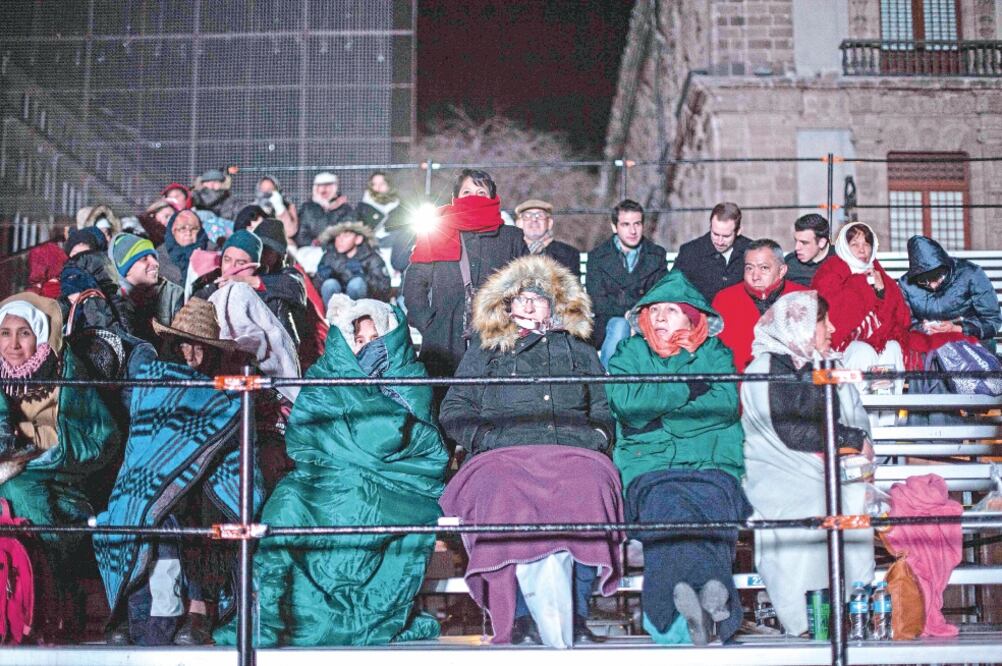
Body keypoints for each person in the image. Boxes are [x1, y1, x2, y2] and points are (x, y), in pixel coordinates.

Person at [214, 295, 446, 646]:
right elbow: (305, 434)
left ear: (390, 337)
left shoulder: (409, 378)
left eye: (374, 339)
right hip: (326, 475)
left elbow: (413, 442)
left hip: (393, 484)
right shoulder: (326, 375)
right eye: (359, 340)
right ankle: (268, 613)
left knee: (366, 509)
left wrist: (367, 416)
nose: (367, 347)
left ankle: (344, 616)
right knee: (287, 503)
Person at [439, 255, 623, 646]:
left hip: (571, 451)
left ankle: (576, 612)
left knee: (590, 485)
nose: (526, 304)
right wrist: (486, 440)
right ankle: (520, 616)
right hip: (503, 453)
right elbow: (454, 409)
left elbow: (602, 409)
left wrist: (596, 439)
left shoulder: (579, 351)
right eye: (519, 297)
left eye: (536, 297)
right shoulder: (485, 351)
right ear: (506, 304)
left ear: (553, 304)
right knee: (502, 491)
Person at [94, 298, 263, 646]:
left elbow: (239, 448)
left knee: (207, 506)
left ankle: (199, 610)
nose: (191, 355)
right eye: (184, 344)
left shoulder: (227, 391)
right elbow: (143, 442)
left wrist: (190, 465)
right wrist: (170, 472)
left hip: (213, 476)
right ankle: (131, 611)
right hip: (149, 474)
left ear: (212, 351)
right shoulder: (152, 381)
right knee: (136, 506)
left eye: (200, 347)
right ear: (172, 344)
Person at [605, 271, 750, 646]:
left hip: (711, 467)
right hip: (652, 468)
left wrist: (660, 414)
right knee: (670, 512)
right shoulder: (630, 353)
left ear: (692, 316)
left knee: (713, 517)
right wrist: (687, 388)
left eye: (671, 310)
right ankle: (710, 613)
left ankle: (676, 618)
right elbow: (626, 404)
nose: (659, 317)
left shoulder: (715, 353)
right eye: (654, 310)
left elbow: (724, 404)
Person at [741, 291, 875, 636]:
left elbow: (853, 416)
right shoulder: (766, 366)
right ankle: (805, 622)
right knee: (813, 507)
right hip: (780, 470)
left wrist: (853, 443)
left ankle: (851, 611)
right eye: (822, 321)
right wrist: (849, 440)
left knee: (855, 502)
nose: (832, 327)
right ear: (799, 325)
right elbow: (788, 430)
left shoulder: (826, 364)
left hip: (826, 467)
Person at [0, 293, 121, 642]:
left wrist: (42, 455)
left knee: (17, 489)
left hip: (63, 490)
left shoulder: (66, 371)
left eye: (23, 333)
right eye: (5, 333)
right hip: (12, 479)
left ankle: (43, 603)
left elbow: (103, 440)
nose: (13, 344)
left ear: (39, 333)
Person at [402, 169, 527, 378]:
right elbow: (415, 280)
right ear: (456, 198)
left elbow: (527, 281)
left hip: (497, 332)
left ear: (493, 198)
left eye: (481, 193)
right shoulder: (437, 232)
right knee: (443, 396)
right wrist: (427, 322)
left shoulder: (510, 237)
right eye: (467, 193)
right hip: (445, 334)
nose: (474, 199)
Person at [812, 222, 910, 393]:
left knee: (893, 348)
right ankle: (859, 416)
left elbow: (900, 316)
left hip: (876, 341)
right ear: (843, 246)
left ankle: (886, 416)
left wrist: (880, 291)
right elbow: (830, 315)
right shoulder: (830, 271)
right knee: (863, 351)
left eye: (866, 243)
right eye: (855, 244)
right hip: (837, 350)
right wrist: (860, 283)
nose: (862, 250)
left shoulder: (878, 272)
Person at [585, 199, 667, 368]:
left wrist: (636, 317)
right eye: (626, 224)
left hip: (647, 320)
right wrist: (628, 315)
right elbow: (597, 302)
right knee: (620, 325)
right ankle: (610, 383)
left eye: (637, 224)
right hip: (608, 323)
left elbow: (660, 295)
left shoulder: (656, 255)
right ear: (615, 227)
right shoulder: (597, 257)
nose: (633, 230)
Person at [712, 239, 807, 371]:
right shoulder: (724, 300)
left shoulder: (803, 298)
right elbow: (715, 353)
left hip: (792, 385)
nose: (755, 276)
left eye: (764, 268)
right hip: (739, 384)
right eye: (749, 268)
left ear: (782, 270)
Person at [899, 235, 1001, 353]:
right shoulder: (906, 283)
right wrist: (924, 327)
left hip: (969, 341)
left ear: (945, 267)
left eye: (936, 277)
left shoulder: (970, 274)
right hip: (928, 342)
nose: (932, 285)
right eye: (923, 281)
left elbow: (992, 320)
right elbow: (907, 323)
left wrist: (957, 328)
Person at [673, 202, 753, 302]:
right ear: (710, 227)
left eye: (726, 236)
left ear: (738, 231)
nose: (719, 241)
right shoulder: (690, 252)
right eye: (715, 234)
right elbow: (673, 290)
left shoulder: (752, 251)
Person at [113, 233, 184, 345]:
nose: (155, 263)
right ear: (126, 268)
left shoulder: (175, 295)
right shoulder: (112, 302)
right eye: (144, 259)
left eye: (154, 257)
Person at [315, 221, 392, 305]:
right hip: (337, 308)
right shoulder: (329, 257)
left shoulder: (371, 257)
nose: (340, 240)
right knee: (329, 284)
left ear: (358, 239)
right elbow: (316, 288)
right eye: (338, 236)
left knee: (357, 284)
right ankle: (332, 317)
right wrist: (321, 278)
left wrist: (365, 277)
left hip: (365, 308)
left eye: (346, 236)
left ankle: (358, 317)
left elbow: (385, 288)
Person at [513, 199, 581, 276]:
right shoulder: (509, 252)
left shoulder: (568, 254)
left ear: (549, 223)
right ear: (519, 223)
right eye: (527, 216)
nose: (534, 219)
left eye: (540, 216)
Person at [294, 171, 355, 247]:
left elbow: (346, 233)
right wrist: (314, 243)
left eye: (328, 185)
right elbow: (301, 236)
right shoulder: (307, 208)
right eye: (320, 186)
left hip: (337, 251)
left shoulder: (345, 209)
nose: (324, 189)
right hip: (310, 250)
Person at [158, 209, 209, 286]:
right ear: (172, 231)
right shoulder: (160, 257)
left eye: (194, 228)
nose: (188, 233)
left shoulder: (210, 250)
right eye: (182, 228)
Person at [354, 170, 405, 242]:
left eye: (382, 183)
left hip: (392, 243)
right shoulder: (363, 207)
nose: (378, 187)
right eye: (374, 184)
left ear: (389, 185)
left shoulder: (398, 206)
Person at [784, 214, 833, 287]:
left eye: (804, 243)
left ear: (821, 242)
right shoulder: (789, 263)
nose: (797, 247)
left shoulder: (844, 260)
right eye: (796, 241)